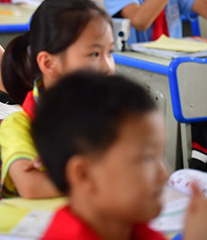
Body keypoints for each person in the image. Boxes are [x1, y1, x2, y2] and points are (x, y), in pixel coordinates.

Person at [34, 72, 207, 240]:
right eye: (146, 158)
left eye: (159, 156)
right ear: (84, 175)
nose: (164, 175)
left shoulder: (130, 227)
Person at [0, 0, 115, 199]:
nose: (108, 67)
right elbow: (33, 187)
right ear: (49, 64)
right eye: (95, 54)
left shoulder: (113, 115)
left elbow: (150, 172)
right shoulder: (20, 125)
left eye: (110, 52)